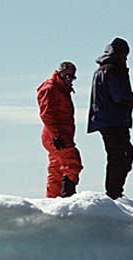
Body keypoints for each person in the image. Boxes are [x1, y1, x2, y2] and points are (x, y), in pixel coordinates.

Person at [87, 37, 133, 199]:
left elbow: (113, 97)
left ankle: (115, 192)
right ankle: (114, 193)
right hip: (114, 121)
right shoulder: (114, 70)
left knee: (118, 154)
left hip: (104, 120)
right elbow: (119, 97)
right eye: (124, 56)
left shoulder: (101, 70)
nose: (125, 59)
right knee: (122, 155)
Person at [37, 61, 83, 198]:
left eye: (72, 77)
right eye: (67, 76)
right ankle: (67, 196)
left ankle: (52, 199)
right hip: (56, 136)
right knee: (72, 162)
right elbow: (46, 114)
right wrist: (56, 136)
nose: (70, 79)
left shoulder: (62, 89)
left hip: (61, 135)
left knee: (57, 168)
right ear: (60, 73)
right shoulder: (50, 88)